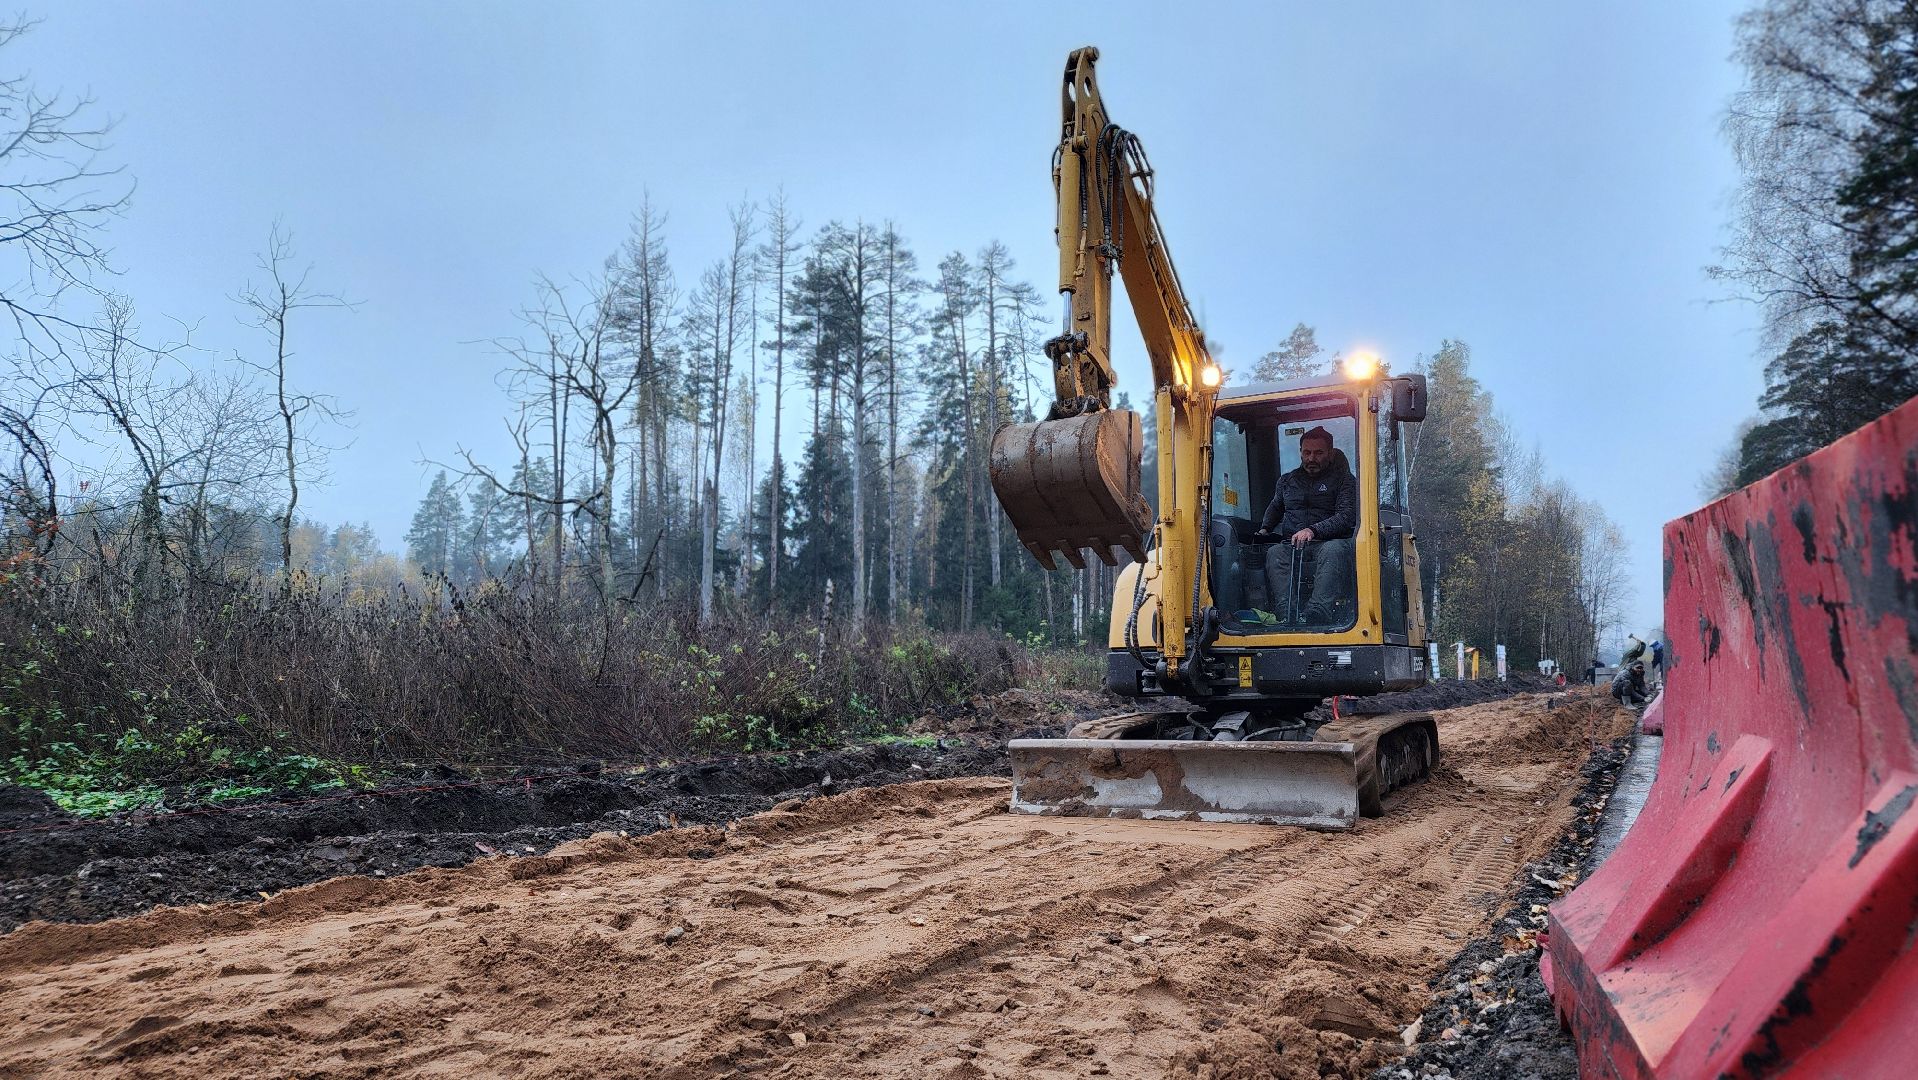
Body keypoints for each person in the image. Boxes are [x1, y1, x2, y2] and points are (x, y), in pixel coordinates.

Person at [1255, 426, 1357, 625]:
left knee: (1333, 550)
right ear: (1300, 453)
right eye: (1307, 452)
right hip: (1294, 546)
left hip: (1330, 543)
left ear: (1330, 453)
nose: (1311, 458)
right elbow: (1276, 506)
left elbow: (1346, 516)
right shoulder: (1286, 481)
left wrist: (1313, 530)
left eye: (1318, 453)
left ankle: (1318, 612)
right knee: (1275, 552)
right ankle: (1285, 611)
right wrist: (1265, 529)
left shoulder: (1345, 481)